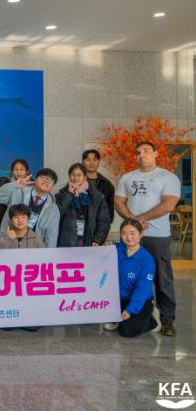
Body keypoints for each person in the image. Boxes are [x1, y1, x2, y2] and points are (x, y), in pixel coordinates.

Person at [114, 141, 181, 337]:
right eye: (138, 152)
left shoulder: (167, 177)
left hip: (157, 236)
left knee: (162, 277)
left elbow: (169, 204)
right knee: (125, 274)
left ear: (156, 153)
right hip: (132, 236)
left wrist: (140, 219)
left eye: (146, 151)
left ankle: (167, 319)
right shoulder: (127, 177)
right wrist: (133, 223)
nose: (141, 154)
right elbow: (118, 202)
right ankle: (130, 310)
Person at [103, 219, 160, 337]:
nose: (128, 237)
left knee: (127, 331)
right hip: (119, 298)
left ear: (141, 234)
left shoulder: (146, 260)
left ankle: (151, 320)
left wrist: (130, 309)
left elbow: (142, 289)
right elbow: (98, 257)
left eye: (132, 233)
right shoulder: (116, 250)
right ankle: (119, 318)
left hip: (140, 300)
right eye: (124, 233)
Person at [0, 168, 60, 248]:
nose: (46, 181)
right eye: (42, 177)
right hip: (9, 242)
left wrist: (48, 253)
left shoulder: (53, 209)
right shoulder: (19, 192)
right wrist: (15, 185)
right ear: (35, 180)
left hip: (34, 247)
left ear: (52, 187)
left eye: (50, 180)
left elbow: (51, 237)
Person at [56, 163, 111, 247]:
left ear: (85, 177)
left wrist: (98, 239)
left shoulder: (97, 196)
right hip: (67, 242)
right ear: (69, 176)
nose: (76, 178)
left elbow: (104, 221)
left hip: (90, 242)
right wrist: (68, 195)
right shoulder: (61, 195)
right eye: (73, 175)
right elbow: (57, 215)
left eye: (79, 175)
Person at [82, 149, 116, 223]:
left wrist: (104, 226)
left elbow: (110, 211)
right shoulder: (77, 182)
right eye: (88, 160)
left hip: (99, 225)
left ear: (99, 162)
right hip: (80, 223)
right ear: (83, 162)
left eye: (94, 160)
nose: (91, 163)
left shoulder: (107, 185)